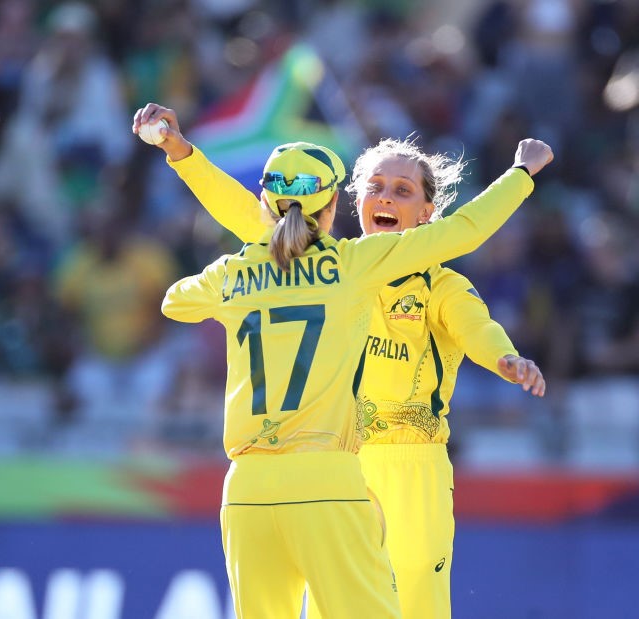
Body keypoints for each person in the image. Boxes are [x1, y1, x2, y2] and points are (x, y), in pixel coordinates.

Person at [138, 105, 549, 619]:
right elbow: (256, 221)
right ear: (347, 201)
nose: (386, 197)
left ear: (426, 213)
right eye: (376, 186)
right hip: (341, 464)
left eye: (403, 191)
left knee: (418, 608)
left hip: (409, 464)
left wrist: (504, 357)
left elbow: (477, 328)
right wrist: (520, 176)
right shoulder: (342, 267)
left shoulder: (438, 284)